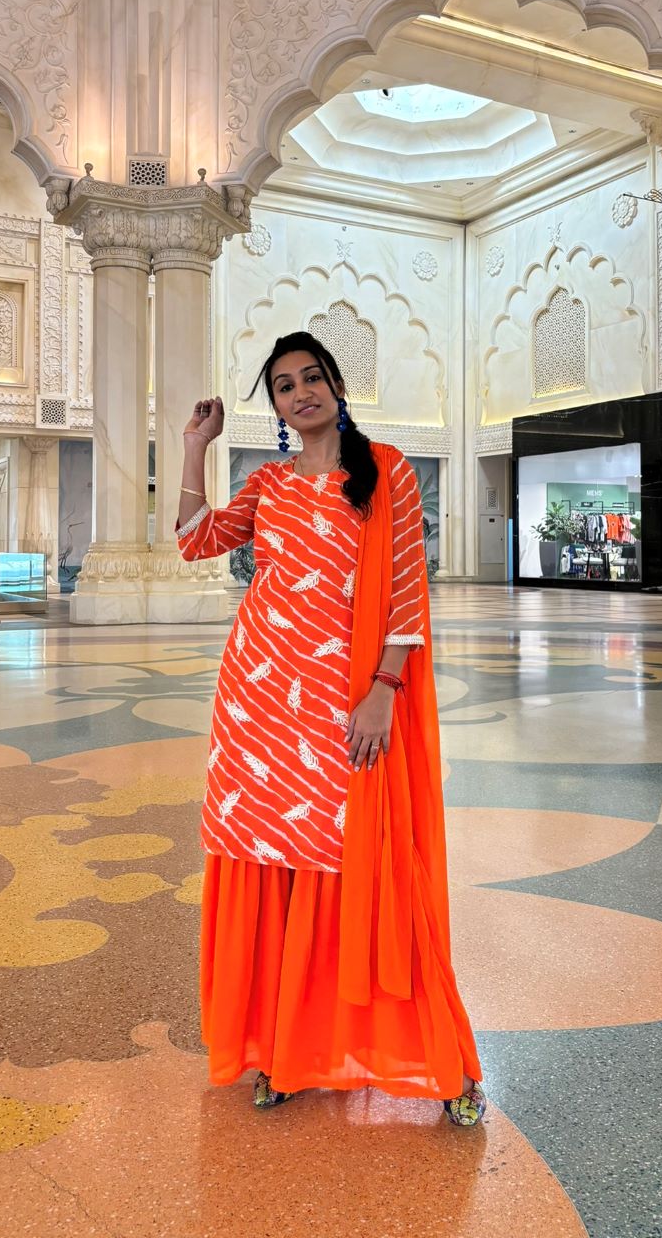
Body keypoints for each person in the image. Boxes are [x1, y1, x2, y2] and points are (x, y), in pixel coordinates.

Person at [175, 333, 485, 1126]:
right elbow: (194, 541)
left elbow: (409, 591)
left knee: (372, 867)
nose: (300, 393)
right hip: (259, 700)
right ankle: (282, 1050)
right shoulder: (269, 483)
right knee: (274, 869)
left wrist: (384, 688)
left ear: (338, 385)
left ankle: (438, 1061)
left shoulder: (387, 472)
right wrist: (192, 450)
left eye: (312, 378)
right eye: (283, 386)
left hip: (347, 701)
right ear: (274, 407)